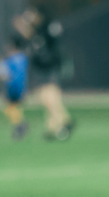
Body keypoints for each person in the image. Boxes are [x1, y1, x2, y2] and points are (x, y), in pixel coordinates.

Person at [14, 8, 74, 141]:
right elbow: (27, 34)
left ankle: (60, 123)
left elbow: (50, 43)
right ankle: (58, 124)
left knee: (49, 96)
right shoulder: (38, 29)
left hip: (49, 66)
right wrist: (23, 23)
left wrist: (26, 22)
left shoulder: (47, 27)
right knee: (45, 97)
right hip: (41, 66)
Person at [0, 36, 30, 141]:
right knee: (15, 107)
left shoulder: (10, 60)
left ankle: (20, 124)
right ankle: (20, 124)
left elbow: (3, 74)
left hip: (11, 86)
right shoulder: (23, 58)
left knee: (10, 107)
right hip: (22, 86)